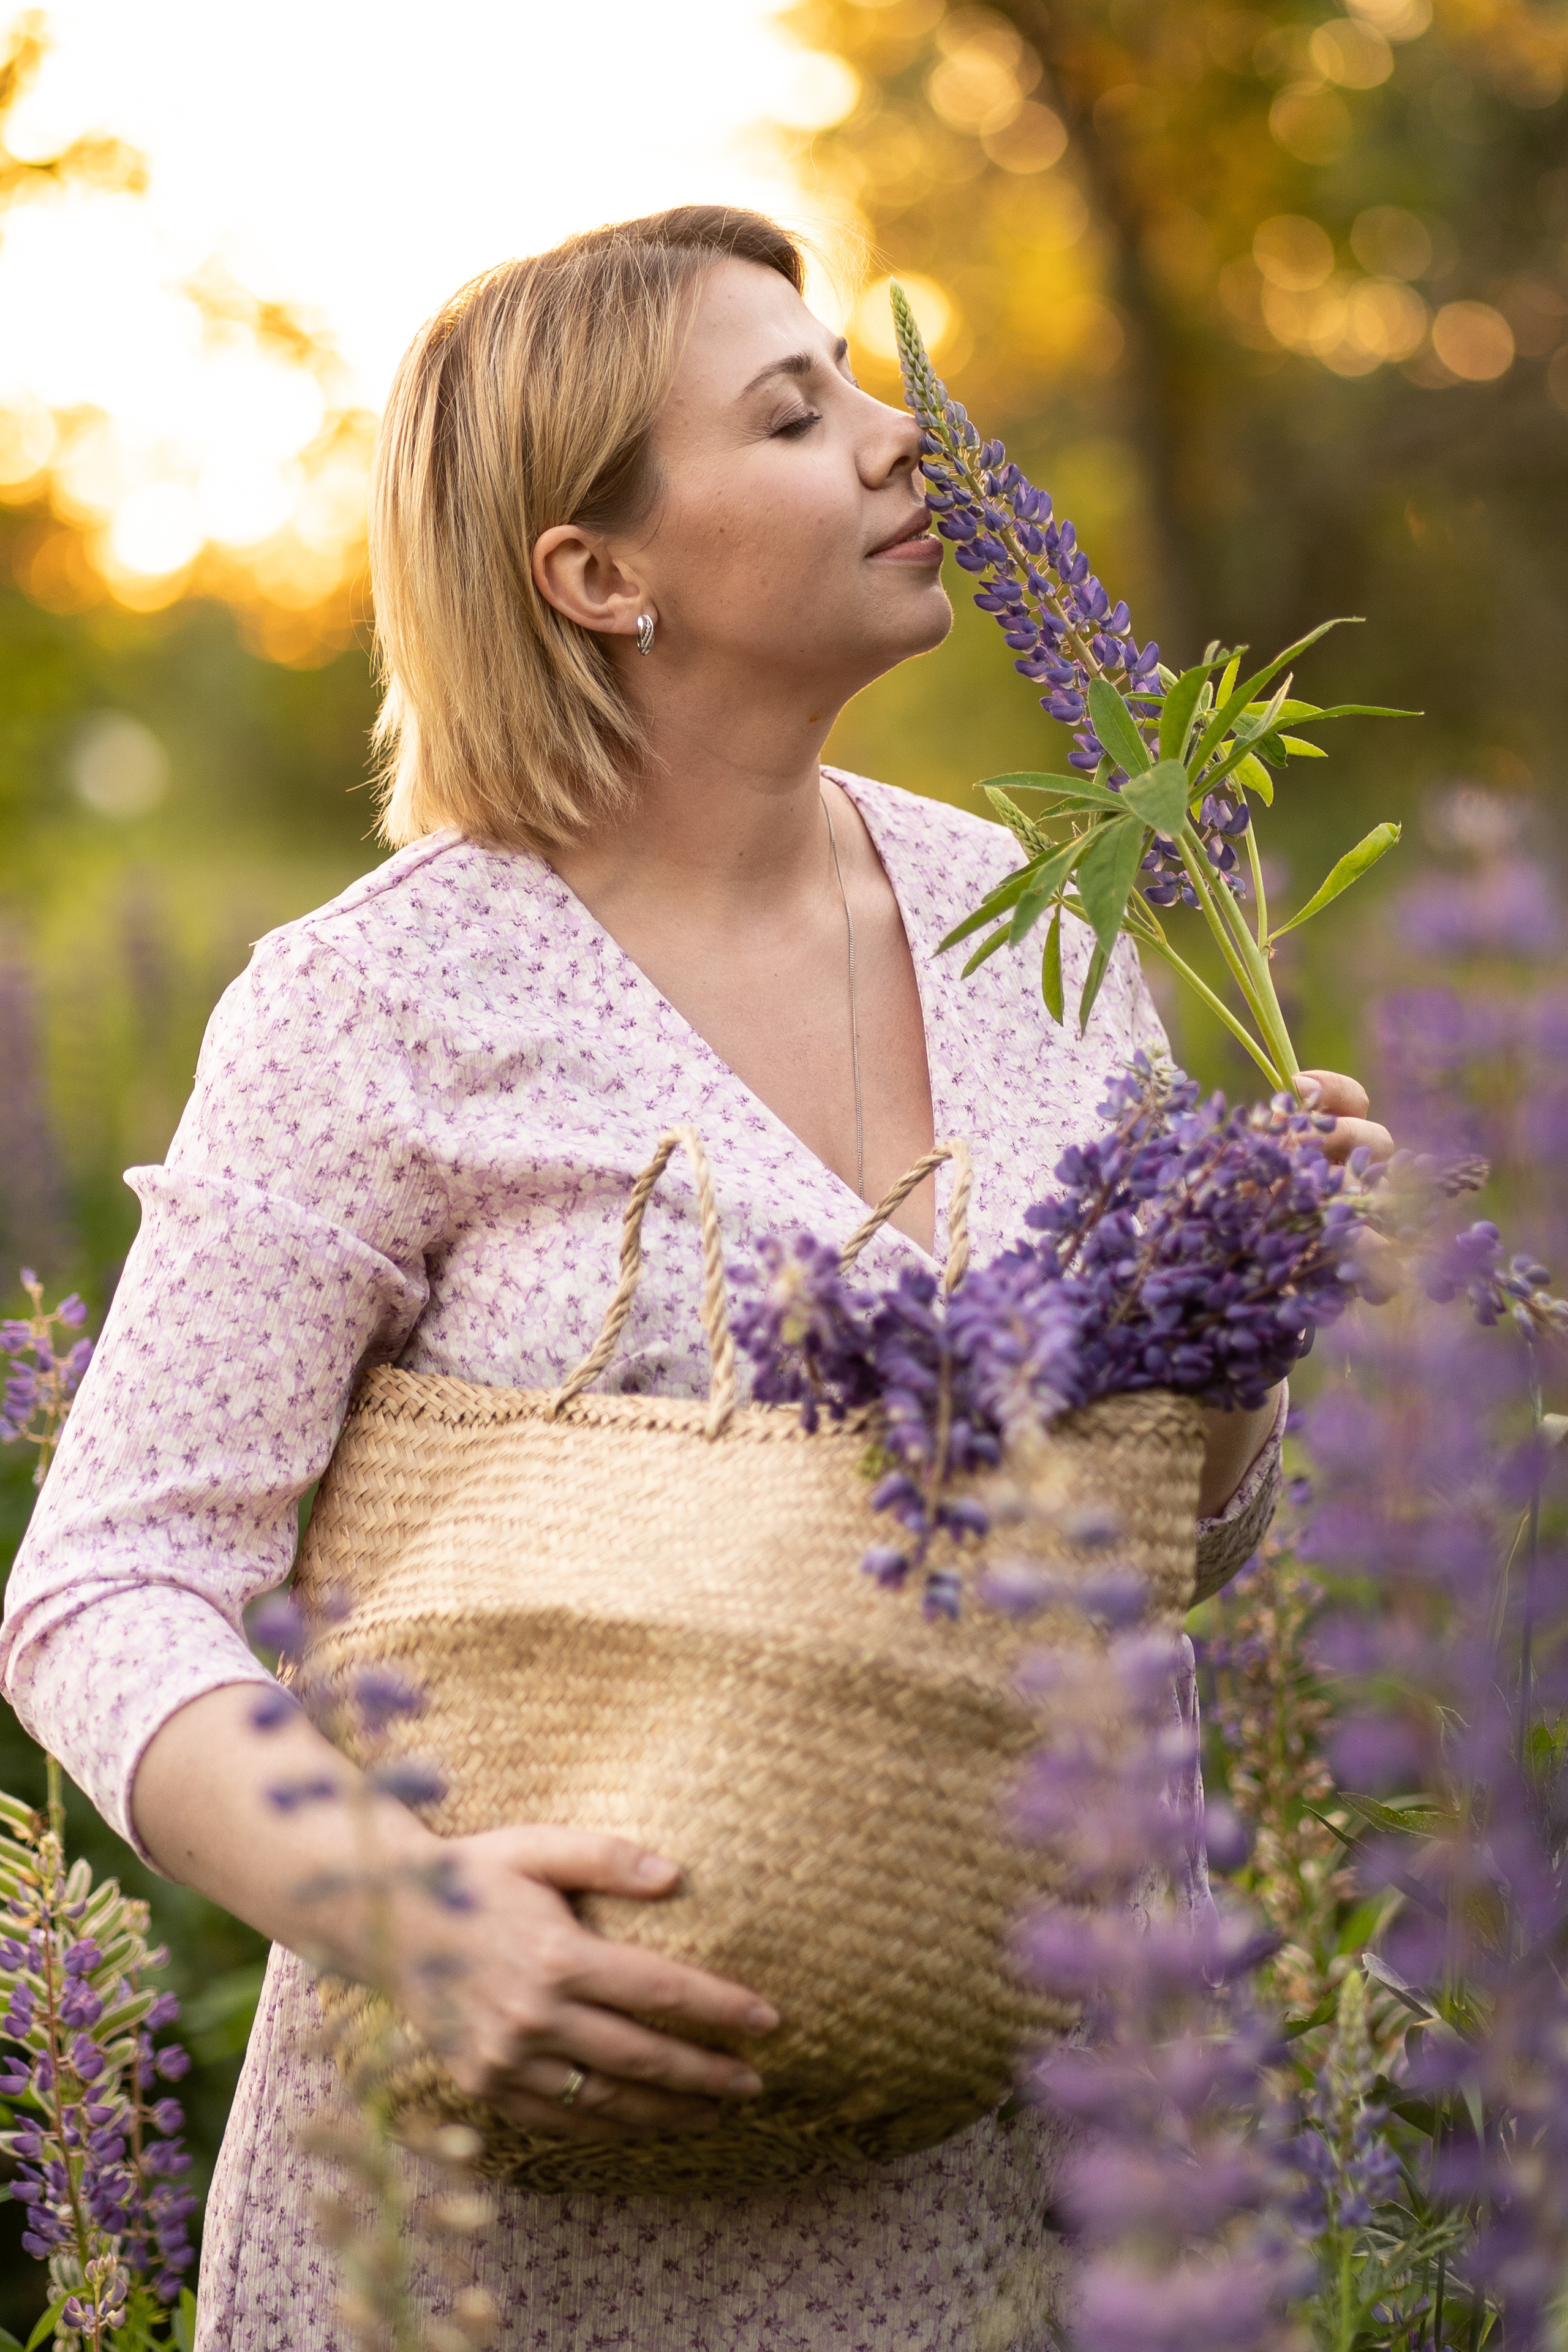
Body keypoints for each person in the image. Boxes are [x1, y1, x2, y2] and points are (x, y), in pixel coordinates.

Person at [0, 206, 1390, 2350]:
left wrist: (1251, 1305)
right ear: (598, 573)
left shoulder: (1048, 917)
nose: (895, 435)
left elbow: (1169, 1557)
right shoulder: (375, 1007)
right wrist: (405, 1908)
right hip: (506, 2224)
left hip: (1009, 2178)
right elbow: (101, 1586)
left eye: (855, 377)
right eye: (793, 407)